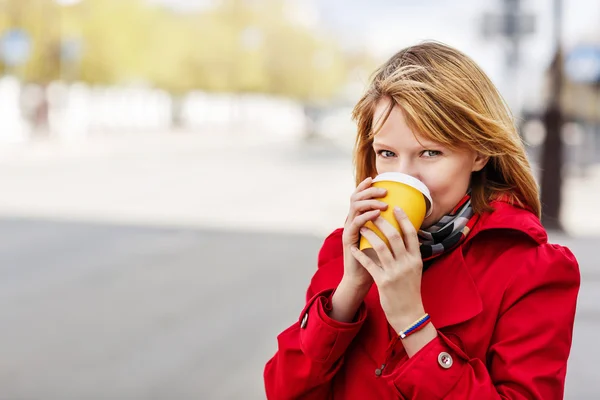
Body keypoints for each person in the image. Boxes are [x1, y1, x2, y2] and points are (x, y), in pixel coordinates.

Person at [263, 41, 580, 399]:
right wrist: (348, 291)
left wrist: (413, 323)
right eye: (387, 153)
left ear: (478, 154)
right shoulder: (348, 250)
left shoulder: (531, 268)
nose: (406, 174)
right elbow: (282, 390)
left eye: (430, 152)